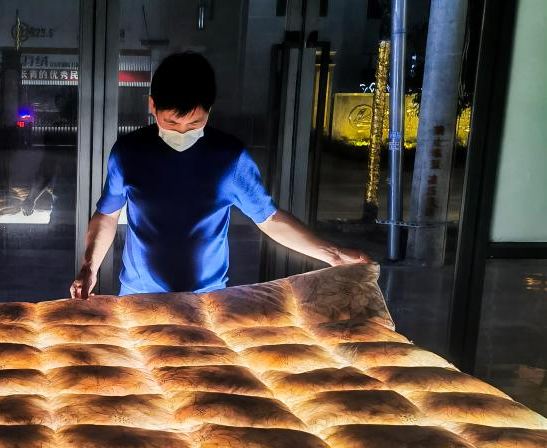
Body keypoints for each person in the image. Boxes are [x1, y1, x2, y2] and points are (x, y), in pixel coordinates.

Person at [70, 52, 369, 299]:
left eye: (194, 124)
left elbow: (270, 220)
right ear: (152, 106)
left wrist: (333, 254)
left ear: (209, 111)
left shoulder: (229, 158)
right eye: (171, 123)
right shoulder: (129, 153)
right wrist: (89, 267)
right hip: (138, 296)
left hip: (207, 300)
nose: (182, 132)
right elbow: (107, 216)